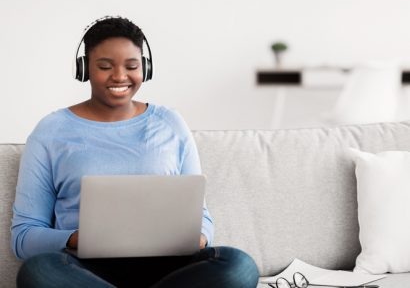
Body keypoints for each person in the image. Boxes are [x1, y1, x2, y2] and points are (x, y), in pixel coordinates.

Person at [11, 16, 259, 288]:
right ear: (84, 69)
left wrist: (199, 237)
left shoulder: (171, 124)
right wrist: (77, 238)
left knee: (238, 267)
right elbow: (23, 237)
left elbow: (202, 217)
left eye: (132, 66)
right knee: (39, 272)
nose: (119, 76)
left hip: (170, 269)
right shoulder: (50, 131)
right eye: (105, 66)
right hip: (86, 270)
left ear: (146, 68)